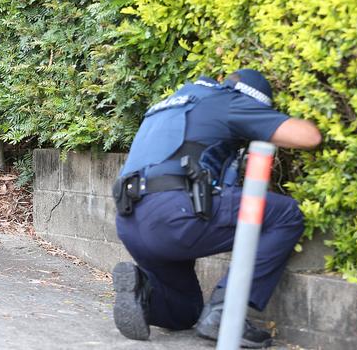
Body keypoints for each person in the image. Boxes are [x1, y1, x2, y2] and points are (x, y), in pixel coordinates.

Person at [111, 69, 321, 348]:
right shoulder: (230, 101)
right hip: (175, 215)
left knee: (184, 311)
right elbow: (308, 136)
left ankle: (144, 292)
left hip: (131, 222)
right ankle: (225, 311)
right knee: (286, 215)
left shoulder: (172, 103)